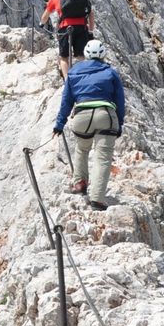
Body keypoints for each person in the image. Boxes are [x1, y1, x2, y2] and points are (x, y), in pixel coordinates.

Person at [53, 39, 124, 209]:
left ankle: (80, 183)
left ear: (85, 54)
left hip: (81, 117)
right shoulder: (111, 73)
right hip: (105, 115)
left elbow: (66, 101)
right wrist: (119, 123)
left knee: (82, 148)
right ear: (103, 55)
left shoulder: (73, 72)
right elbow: (120, 101)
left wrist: (59, 124)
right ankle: (97, 199)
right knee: (103, 157)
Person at [40, 0, 93, 81]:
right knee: (81, 55)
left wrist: (41, 24)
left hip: (65, 28)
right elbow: (90, 12)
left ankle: (68, 81)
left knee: (64, 57)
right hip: (81, 27)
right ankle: (85, 78)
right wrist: (90, 30)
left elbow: (45, 16)